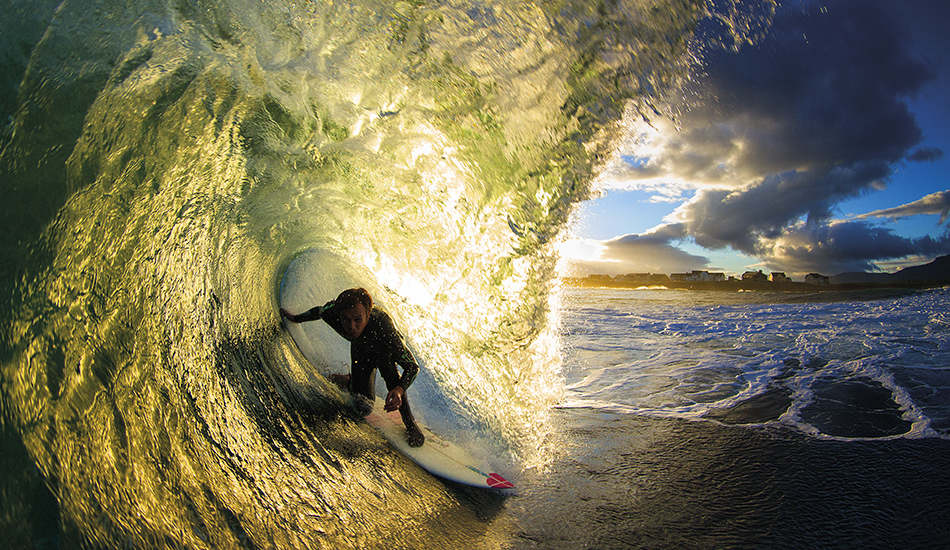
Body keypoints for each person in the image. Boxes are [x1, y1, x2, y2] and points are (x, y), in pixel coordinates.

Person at [281, 288, 425, 447]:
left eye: (358, 319)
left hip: (384, 350)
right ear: (339, 315)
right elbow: (318, 312)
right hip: (361, 351)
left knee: (390, 372)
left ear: (368, 314)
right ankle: (348, 380)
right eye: (346, 319)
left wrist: (399, 389)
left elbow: (412, 366)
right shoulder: (332, 314)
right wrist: (295, 318)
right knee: (363, 407)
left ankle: (410, 425)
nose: (352, 326)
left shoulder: (385, 329)